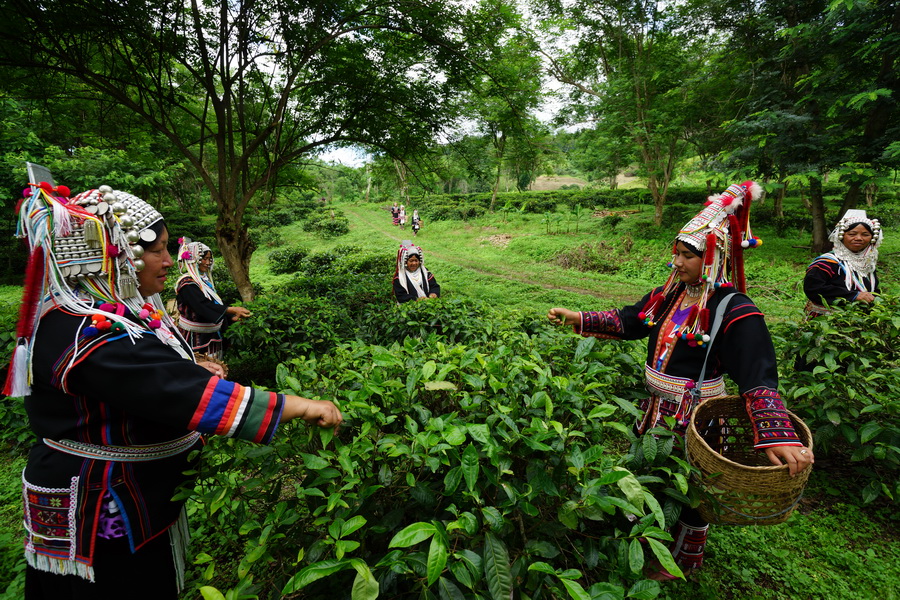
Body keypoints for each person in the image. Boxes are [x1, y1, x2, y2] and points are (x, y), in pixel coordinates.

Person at [6, 172, 342, 599]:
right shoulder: (88, 332)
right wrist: (296, 405)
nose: (169, 260)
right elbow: (168, 387)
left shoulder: (100, 316)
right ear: (120, 255)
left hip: (123, 492)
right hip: (102, 509)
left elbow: (149, 371)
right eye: (159, 250)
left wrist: (192, 361)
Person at [547, 181, 813, 579]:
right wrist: (579, 318)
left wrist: (777, 432)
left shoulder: (736, 310)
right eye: (676, 253)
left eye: (688, 255)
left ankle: (683, 558)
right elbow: (632, 320)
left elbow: (757, 376)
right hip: (656, 409)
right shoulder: (670, 294)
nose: (677, 262)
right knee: (654, 478)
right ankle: (647, 539)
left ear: (712, 258)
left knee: (691, 489)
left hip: (696, 417)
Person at [175, 238, 251, 360]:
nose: (208, 262)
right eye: (204, 258)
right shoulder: (187, 284)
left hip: (212, 335)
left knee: (216, 365)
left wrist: (231, 317)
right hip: (196, 337)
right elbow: (202, 306)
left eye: (209, 259)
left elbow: (214, 304)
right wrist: (230, 310)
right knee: (200, 366)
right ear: (193, 259)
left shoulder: (203, 281)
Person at [803, 209, 882, 318]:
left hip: (862, 322)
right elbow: (813, 289)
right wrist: (854, 296)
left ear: (872, 238)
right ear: (841, 236)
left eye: (865, 234)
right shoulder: (826, 263)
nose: (859, 238)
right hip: (827, 321)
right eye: (852, 234)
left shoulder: (867, 264)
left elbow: (873, 290)